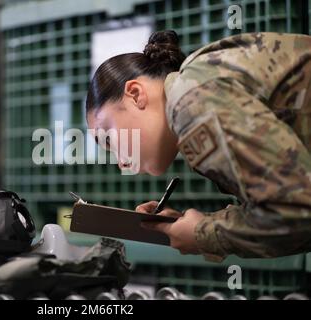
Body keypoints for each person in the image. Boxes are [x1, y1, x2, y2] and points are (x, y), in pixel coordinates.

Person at [85, 30, 311, 261]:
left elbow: (296, 211)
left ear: (135, 94)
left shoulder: (190, 97)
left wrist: (202, 233)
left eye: (109, 139)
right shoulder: (197, 89)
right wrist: (200, 225)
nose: (121, 161)